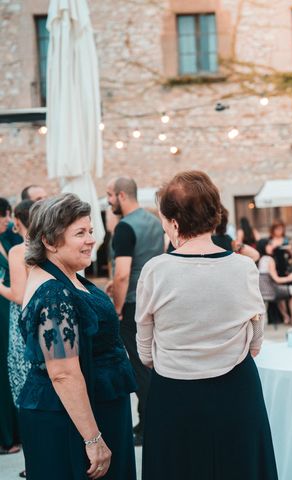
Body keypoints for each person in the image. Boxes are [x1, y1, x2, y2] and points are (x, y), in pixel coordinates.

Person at [135, 171, 278, 480]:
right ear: (213, 217)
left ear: (174, 222)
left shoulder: (156, 270)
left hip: (173, 387)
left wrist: (159, 360)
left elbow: (144, 342)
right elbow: (257, 333)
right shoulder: (243, 266)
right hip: (235, 385)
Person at [19, 193, 136, 479]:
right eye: (80, 233)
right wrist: (93, 439)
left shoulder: (68, 276)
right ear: (48, 240)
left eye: (91, 231)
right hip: (71, 420)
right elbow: (63, 373)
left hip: (94, 407)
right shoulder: (53, 293)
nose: (91, 240)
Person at [106, 177, 164, 446]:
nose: (108, 201)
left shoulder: (125, 227)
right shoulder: (154, 221)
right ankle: (145, 420)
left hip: (133, 302)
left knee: (140, 365)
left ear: (121, 195)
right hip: (156, 296)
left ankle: (151, 424)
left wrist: (116, 308)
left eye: (109, 195)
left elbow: (122, 275)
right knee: (153, 361)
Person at [0, 200, 32, 478]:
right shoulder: (50, 247)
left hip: (20, 324)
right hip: (37, 323)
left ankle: (33, 460)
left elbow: (19, 296)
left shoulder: (19, 250)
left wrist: (0, 286)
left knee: (24, 392)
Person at [0, 198, 20, 456]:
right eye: (3, 216)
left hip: (8, 313)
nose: (7, 219)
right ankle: (6, 436)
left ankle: (14, 431)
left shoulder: (6, 241)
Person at [257, 242, 292, 325]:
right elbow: (277, 279)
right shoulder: (270, 260)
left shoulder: (261, 260)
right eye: (269, 245)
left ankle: (286, 317)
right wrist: (290, 277)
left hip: (263, 292)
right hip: (271, 291)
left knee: (281, 292)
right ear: (264, 247)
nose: (271, 247)